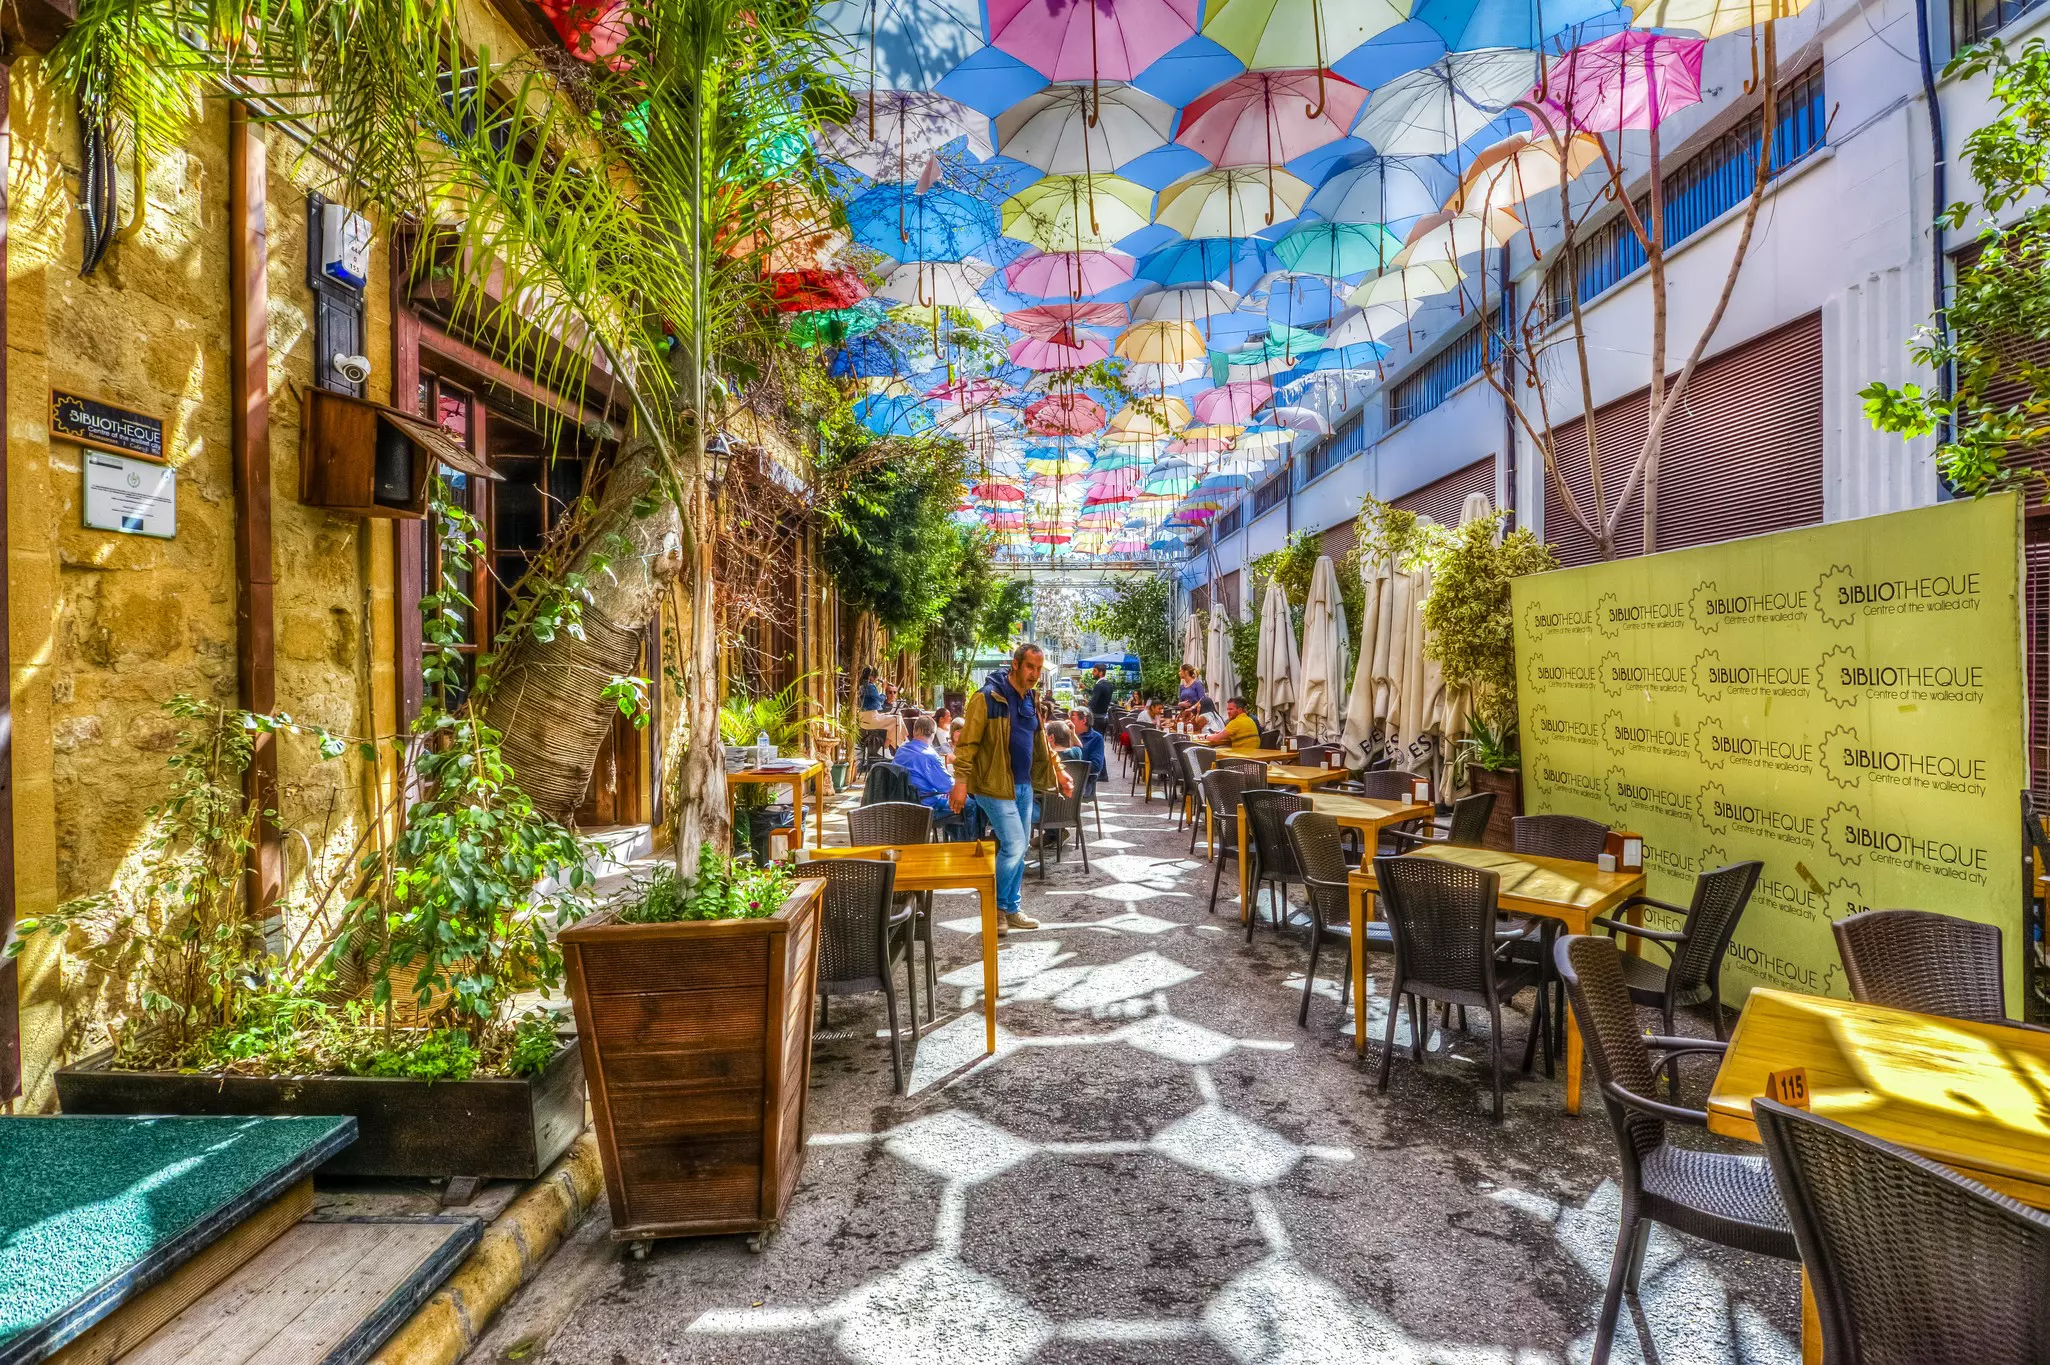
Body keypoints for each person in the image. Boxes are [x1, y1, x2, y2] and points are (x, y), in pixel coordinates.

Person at [950, 641, 1073, 933]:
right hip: (992, 786)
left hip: (1023, 786)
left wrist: (1060, 770)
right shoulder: (986, 698)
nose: (1034, 674)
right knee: (1017, 844)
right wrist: (960, 783)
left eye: (1039, 669)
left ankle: (1010, 908)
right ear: (1015, 665)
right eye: (1030, 666)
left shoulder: (1031, 698)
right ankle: (995, 907)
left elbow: (1040, 741)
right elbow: (967, 745)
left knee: (1016, 849)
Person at [893, 716, 956, 819]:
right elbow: (949, 786)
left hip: (902, 804)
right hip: (925, 806)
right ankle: (972, 836)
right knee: (969, 804)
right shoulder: (929, 755)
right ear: (933, 735)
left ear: (914, 731)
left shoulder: (901, 750)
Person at [1198, 696, 1262, 752]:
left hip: (1243, 756)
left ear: (1239, 710)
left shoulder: (1236, 722)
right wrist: (1220, 734)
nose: (1228, 712)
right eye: (1227, 709)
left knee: (1213, 752)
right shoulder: (1249, 720)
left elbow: (1215, 739)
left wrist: (1205, 736)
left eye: (1231, 709)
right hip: (1253, 753)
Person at [1068, 708, 1108, 789]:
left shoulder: (1096, 738)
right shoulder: (1065, 734)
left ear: (1083, 720)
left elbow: (1096, 767)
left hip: (1084, 784)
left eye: (1072, 719)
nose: (1069, 722)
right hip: (1065, 780)